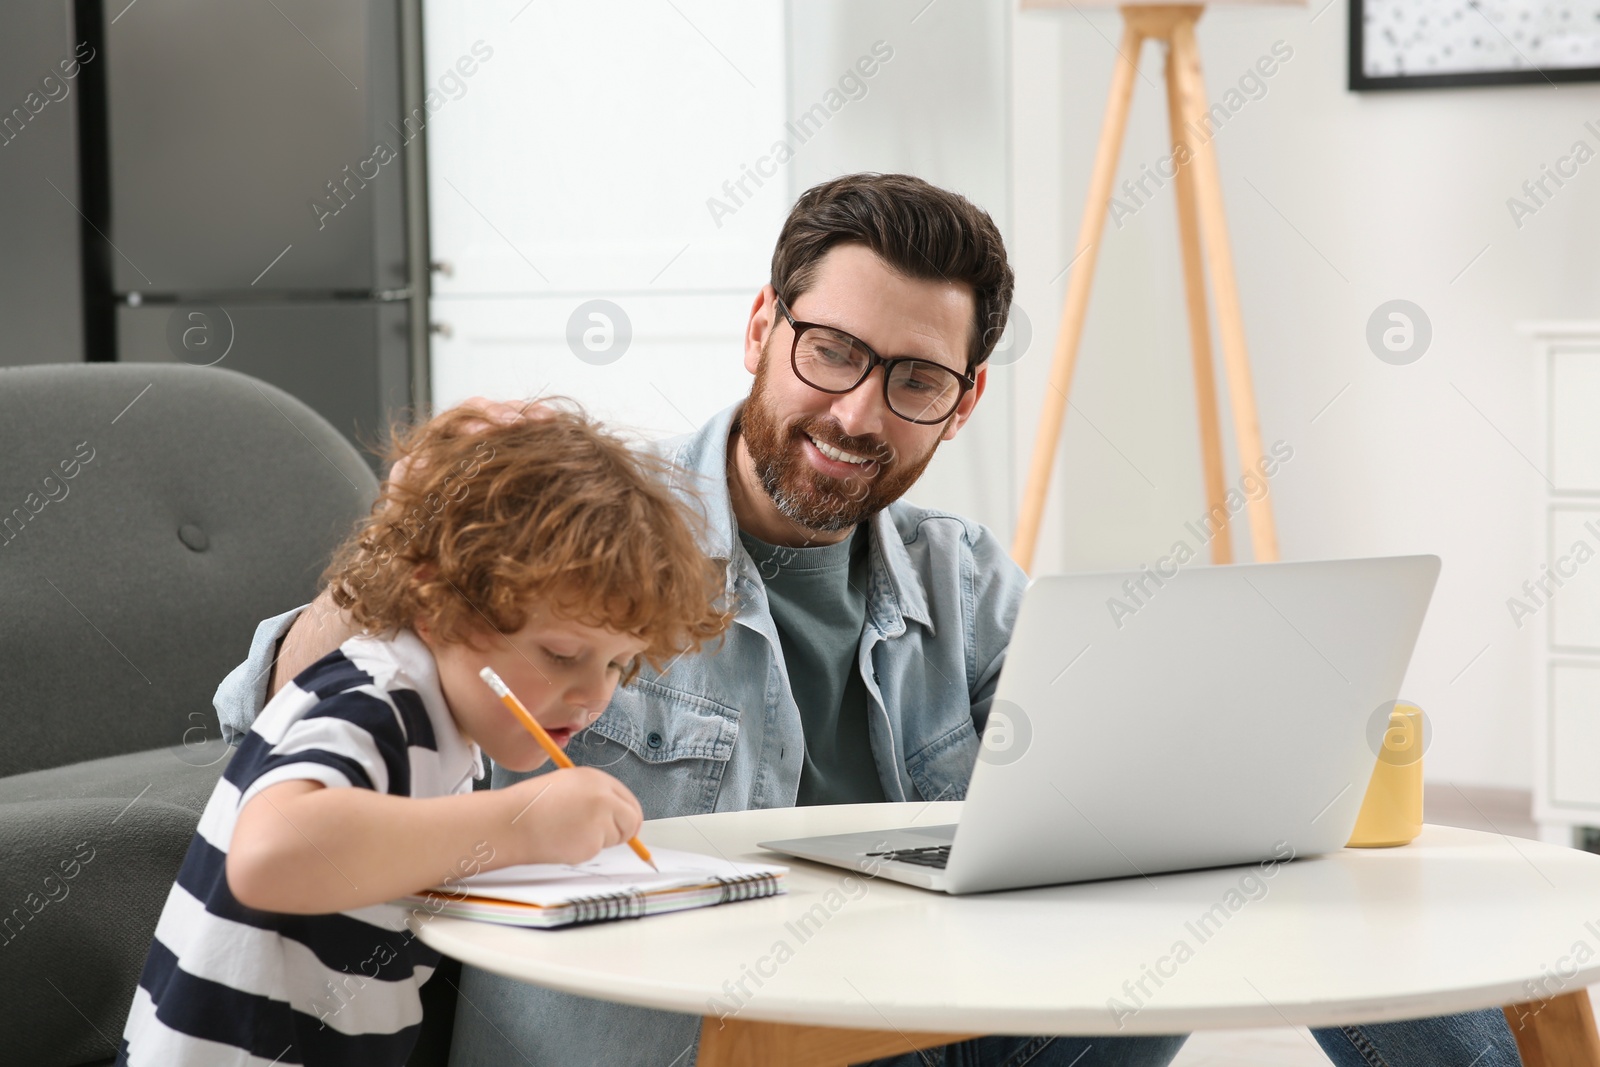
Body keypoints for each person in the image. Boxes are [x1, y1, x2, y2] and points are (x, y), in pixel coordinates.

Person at [217, 174, 1522, 1067]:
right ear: (760, 329)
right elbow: (271, 710)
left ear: (960, 405)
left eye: (911, 381)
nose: (855, 413)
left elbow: (1110, 804)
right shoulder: (589, 533)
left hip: (920, 1033)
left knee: (1280, 884)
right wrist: (399, 538)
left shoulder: (963, 581)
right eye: (832, 351)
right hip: (694, 1050)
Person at [120, 406, 727, 1066]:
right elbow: (269, 855)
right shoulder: (375, 701)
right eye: (560, 653)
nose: (593, 695)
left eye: (615, 664)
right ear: (438, 602)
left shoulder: (451, 727)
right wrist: (522, 822)